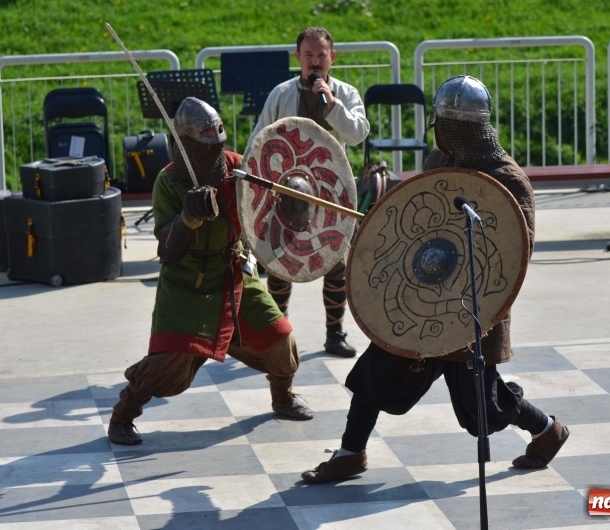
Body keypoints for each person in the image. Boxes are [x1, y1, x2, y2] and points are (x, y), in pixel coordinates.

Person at [300, 75, 569, 482]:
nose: (438, 132)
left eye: (444, 124)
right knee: (375, 370)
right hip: (417, 297)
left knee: (482, 408)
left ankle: (548, 430)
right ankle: (351, 452)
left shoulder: (507, 179)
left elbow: (514, 252)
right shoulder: (439, 162)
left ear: (460, 127)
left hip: (472, 310)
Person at [108, 97, 313, 446]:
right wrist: (187, 219)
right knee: (169, 364)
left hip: (234, 272)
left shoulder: (238, 169)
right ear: (185, 144)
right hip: (187, 282)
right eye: (204, 146)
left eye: (216, 144)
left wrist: (292, 201)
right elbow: (167, 251)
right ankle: (124, 412)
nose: (213, 152)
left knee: (281, 340)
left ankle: (282, 396)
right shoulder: (168, 182)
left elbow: (268, 212)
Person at [243, 26, 370, 358]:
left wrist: (332, 104)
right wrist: (249, 184)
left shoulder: (346, 94)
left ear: (332, 57)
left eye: (321, 55)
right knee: (279, 264)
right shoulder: (281, 94)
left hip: (330, 193)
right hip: (284, 194)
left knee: (337, 264)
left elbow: (357, 134)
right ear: (297, 56)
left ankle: (335, 333)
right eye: (309, 55)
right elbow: (259, 140)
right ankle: (277, 332)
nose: (315, 62)